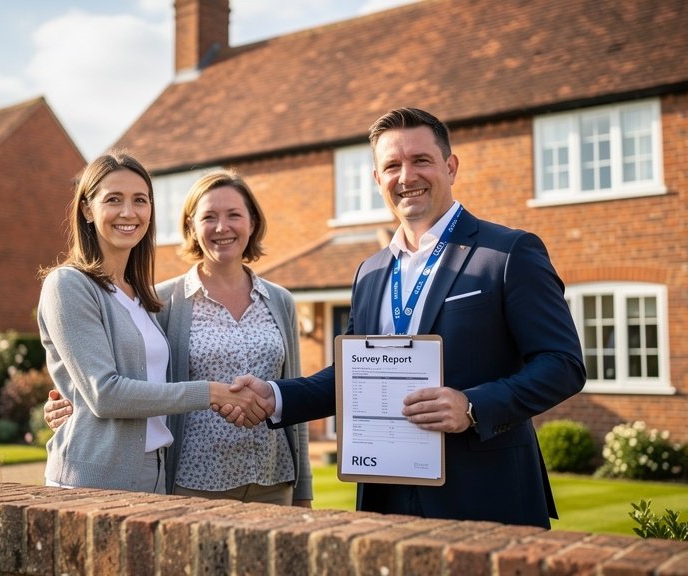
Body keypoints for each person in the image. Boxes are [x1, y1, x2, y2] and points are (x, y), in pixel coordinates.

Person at [224, 107, 586, 528]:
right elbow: (353, 371)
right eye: (392, 165)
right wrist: (278, 396)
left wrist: (472, 406)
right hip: (385, 491)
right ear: (378, 179)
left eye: (421, 161)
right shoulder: (371, 271)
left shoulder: (508, 254)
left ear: (450, 167)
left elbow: (562, 364)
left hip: (485, 492)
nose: (406, 176)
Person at [44, 170, 313, 506]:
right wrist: (72, 400)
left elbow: (295, 393)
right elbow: (107, 384)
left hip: (274, 477)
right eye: (209, 217)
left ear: (253, 222)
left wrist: (304, 491)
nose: (221, 227)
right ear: (190, 226)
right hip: (192, 479)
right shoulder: (163, 300)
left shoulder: (278, 300)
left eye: (234, 215)